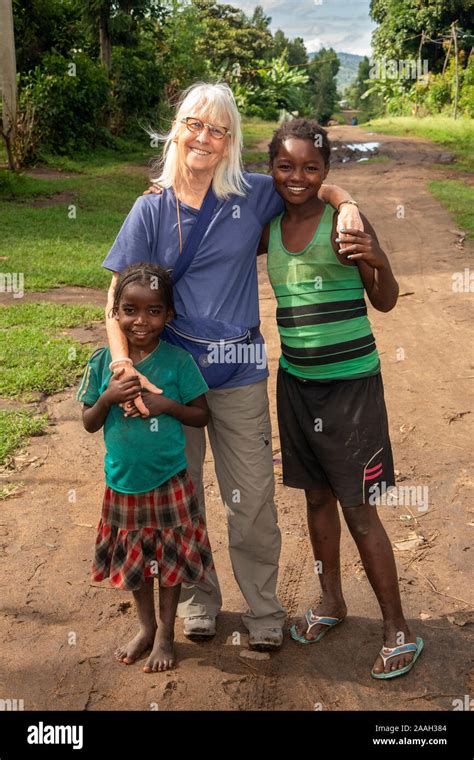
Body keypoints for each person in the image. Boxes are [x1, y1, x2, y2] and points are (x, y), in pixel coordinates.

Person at [102, 81, 364, 651]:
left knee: (250, 499)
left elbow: (308, 184)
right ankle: (198, 602)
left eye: (218, 129)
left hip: (241, 370)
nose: (205, 136)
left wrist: (346, 203)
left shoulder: (251, 194)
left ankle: (265, 611)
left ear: (230, 142)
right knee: (184, 496)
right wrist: (124, 368)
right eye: (195, 123)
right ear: (178, 129)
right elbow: (114, 303)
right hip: (172, 378)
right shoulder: (150, 208)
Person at [259, 118, 423, 678]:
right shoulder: (271, 227)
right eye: (286, 167)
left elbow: (387, 301)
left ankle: (398, 626)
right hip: (297, 384)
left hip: (351, 388)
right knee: (315, 498)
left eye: (311, 168)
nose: (298, 177)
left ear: (326, 171)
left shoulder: (342, 222)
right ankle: (332, 600)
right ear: (272, 171)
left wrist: (376, 258)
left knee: (359, 508)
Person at [76, 264, 213, 672]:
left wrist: (167, 405)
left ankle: (168, 634)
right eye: (130, 310)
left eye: (153, 311)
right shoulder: (104, 363)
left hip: (170, 480)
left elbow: (201, 415)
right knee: (136, 563)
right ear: (115, 315)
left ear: (169, 315)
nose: (141, 320)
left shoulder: (177, 362)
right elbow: (88, 422)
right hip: (123, 483)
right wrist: (107, 397)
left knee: (169, 562)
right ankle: (146, 627)